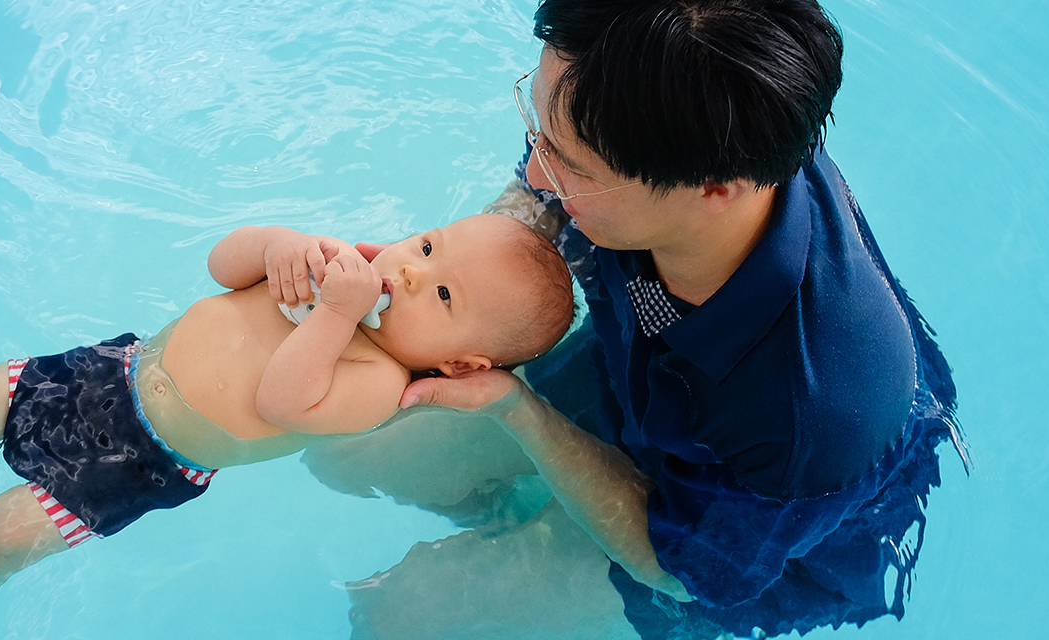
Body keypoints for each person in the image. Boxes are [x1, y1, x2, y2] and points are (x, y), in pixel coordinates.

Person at [303, 1, 965, 638]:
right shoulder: (675, 109)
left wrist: (518, 411)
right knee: (340, 449)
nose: (536, 171)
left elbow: (685, 575)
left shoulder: (806, 415)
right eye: (540, 130)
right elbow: (538, 194)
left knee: (398, 616)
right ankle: (515, 516)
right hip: (635, 371)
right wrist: (444, 276)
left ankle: (535, 532)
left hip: (738, 517)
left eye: (567, 161)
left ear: (714, 188)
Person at [0, 214, 578, 634]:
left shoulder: (375, 382)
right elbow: (221, 266)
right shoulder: (331, 266)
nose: (409, 268)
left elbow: (282, 401)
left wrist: (333, 315)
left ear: (465, 365)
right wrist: (280, 245)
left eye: (440, 295)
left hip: (142, 461)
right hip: (112, 373)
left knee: (0, 539)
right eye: (429, 244)